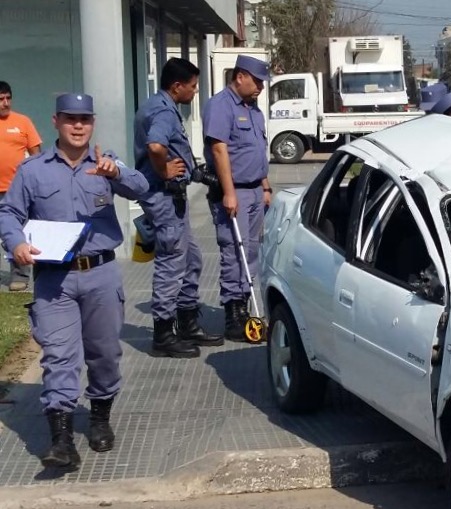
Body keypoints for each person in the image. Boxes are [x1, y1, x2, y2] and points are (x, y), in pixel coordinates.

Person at [0, 93, 150, 469]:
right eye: (70, 119)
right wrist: (16, 243)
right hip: (54, 280)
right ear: (55, 122)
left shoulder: (105, 163)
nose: (78, 125)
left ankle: (99, 417)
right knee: (60, 356)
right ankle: (61, 439)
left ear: (93, 122)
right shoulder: (33, 170)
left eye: (85, 119)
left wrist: (116, 173)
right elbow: (9, 212)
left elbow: (142, 188)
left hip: (100, 274)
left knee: (104, 355)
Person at [134, 58, 223, 358]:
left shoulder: (159, 106)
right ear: (176, 87)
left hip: (172, 194)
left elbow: (170, 150)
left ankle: (187, 322)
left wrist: (194, 173)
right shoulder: (163, 112)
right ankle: (163, 334)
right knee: (172, 261)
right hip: (163, 194)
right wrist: (164, 172)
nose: (195, 92)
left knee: (192, 258)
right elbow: (156, 147)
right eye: (193, 86)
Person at [202, 54, 272, 342]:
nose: (260, 88)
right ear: (240, 76)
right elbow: (219, 150)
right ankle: (233, 313)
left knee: (251, 249)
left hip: (255, 189)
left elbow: (257, 150)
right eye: (256, 81)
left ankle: (244, 304)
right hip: (235, 191)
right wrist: (229, 192)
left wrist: (265, 186)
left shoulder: (253, 110)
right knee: (234, 249)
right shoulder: (221, 106)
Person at [0, 81, 43, 291]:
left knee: (18, 232)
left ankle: (20, 276)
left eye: (8, 98)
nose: (5, 103)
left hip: (16, 190)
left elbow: (37, 156)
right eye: (0, 99)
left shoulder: (22, 122)